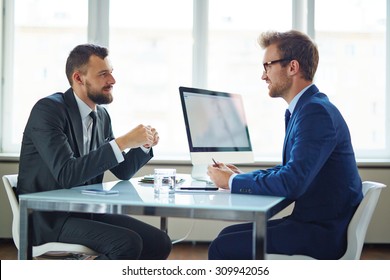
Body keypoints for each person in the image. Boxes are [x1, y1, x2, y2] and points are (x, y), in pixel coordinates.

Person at [207, 30, 363, 260]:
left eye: (268, 66)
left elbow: (292, 182)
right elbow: (291, 171)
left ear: (292, 67)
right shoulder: (306, 108)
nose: (263, 76)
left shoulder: (314, 112)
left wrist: (231, 181)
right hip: (316, 224)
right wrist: (240, 177)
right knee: (226, 236)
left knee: (223, 246)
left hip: (321, 234)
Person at [16, 44, 172, 260]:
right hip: (49, 219)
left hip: (86, 213)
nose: (112, 80)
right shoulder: (49, 110)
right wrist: (123, 141)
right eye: (103, 74)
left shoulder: (101, 117)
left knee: (159, 242)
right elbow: (66, 174)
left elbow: (123, 171)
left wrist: (144, 144)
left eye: (111, 72)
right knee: (127, 244)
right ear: (78, 78)